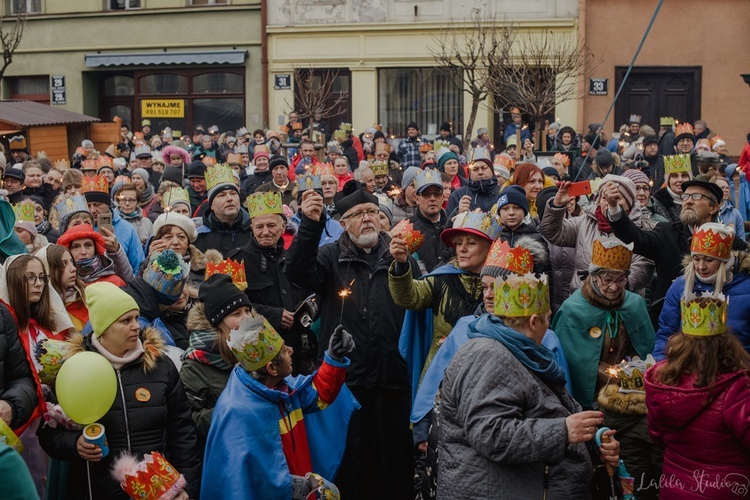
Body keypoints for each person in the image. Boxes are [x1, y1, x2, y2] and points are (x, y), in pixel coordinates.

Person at [438, 272, 620, 498]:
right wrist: (562, 432)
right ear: (534, 322)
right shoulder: (489, 356)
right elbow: (490, 434)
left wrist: (593, 438)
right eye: (548, 318)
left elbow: (551, 410)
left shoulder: (521, 351)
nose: (548, 326)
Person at [286, 188, 414, 499]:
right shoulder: (331, 256)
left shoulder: (398, 252)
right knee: (351, 465)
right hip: (345, 384)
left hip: (392, 379)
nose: (367, 218)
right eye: (357, 215)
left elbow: (415, 300)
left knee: (392, 466)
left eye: (372, 211)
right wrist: (311, 225)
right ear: (344, 224)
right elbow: (298, 272)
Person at [37, 282, 201, 499]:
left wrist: (187, 487)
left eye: (136, 317)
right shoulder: (75, 369)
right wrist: (74, 444)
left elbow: (182, 432)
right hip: (98, 490)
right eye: (126, 320)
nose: (136, 326)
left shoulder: (161, 366)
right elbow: (49, 433)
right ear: (104, 327)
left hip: (159, 491)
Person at [201, 315, 356, 500]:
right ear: (272, 369)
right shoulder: (235, 412)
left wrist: (334, 358)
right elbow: (238, 484)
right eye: (283, 350)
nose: (291, 350)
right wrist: (288, 486)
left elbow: (316, 395)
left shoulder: (282, 387)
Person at [645, 293, 750, 499]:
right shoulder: (737, 389)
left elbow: (656, 436)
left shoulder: (663, 381)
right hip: (727, 490)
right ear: (727, 343)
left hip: (674, 486)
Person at [605, 177, 747, 326]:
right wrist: (614, 208)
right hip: (669, 322)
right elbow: (633, 237)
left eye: (697, 197)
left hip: (714, 322)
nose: (688, 201)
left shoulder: (729, 241)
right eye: (685, 196)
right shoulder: (666, 232)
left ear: (714, 207)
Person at [390, 208, 500, 394]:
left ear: (490, 247)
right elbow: (409, 298)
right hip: (441, 376)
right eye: (458, 243)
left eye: (471, 243)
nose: (462, 249)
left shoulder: (504, 286)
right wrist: (401, 264)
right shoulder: (442, 278)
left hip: (487, 377)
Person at [230, 190, 320, 374]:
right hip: (259, 354)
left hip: (298, 354)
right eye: (259, 226)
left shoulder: (292, 260)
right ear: (252, 228)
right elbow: (232, 308)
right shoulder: (237, 261)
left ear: (283, 226)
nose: (265, 232)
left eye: (271, 225)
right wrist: (272, 315)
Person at [540, 176, 655, 295]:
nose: (609, 203)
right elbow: (552, 232)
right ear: (599, 201)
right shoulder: (584, 222)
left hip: (622, 299)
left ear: (629, 203)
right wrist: (557, 205)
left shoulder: (641, 227)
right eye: (605, 198)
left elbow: (644, 267)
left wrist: (613, 285)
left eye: (616, 198)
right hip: (584, 298)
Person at [180, 274, 253, 454]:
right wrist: (230, 410)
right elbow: (189, 420)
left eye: (247, 311)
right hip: (225, 452)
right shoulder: (195, 364)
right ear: (218, 323)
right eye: (236, 314)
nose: (246, 318)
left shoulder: (258, 348)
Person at [655, 223, 750, 359]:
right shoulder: (680, 286)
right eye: (696, 259)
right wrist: (661, 369)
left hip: (736, 371)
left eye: (709, 260)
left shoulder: (746, 288)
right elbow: (665, 335)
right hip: (687, 370)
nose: (701, 267)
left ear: (725, 260)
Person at [82, 174, 144, 272]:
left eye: (97, 205)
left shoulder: (127, 228)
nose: (92, 210)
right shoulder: (80, 228)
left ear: (107, 204)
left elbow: (138, 266)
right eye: (88, 206)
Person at [195, 164, 253, 255]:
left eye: (233, 193)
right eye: (222, 195)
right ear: (211, 205)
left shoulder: (254, 231)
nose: (230, 198)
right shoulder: (199, 236)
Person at [401, 169, 449, 273]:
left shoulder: (452, 226)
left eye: (437, 194)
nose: (432, 198)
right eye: (426, 194)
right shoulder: (406, 228)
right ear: (417, 198)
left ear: (443, 197)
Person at [57, 223, 133, 287]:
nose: (83, 252)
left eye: (88, 245)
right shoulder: (61, 286)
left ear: (95, 248)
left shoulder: (114, 282)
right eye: (76, 247)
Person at [113, 182, 153, 246]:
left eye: (131, 200)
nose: (127, 204)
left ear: (137, 202)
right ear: (118, 202)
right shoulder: (112, 222)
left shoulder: (146, 223)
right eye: (123, 200)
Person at [715, 176, 746, 240]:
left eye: (727, 188)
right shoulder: (707, 211)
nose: (726, 190)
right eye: (722, 188)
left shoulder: (735, 213)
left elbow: (742, 239)